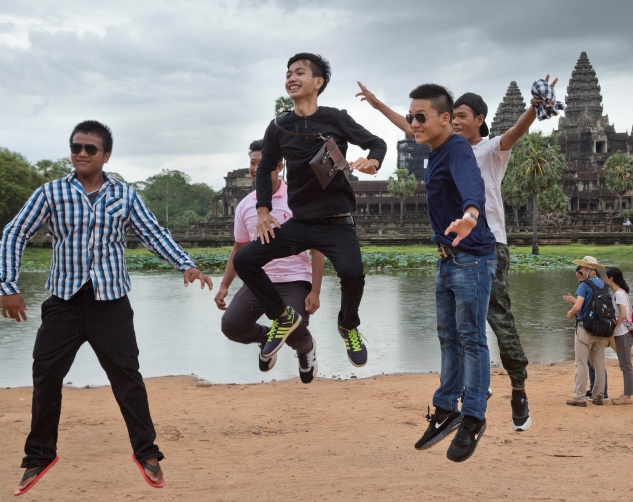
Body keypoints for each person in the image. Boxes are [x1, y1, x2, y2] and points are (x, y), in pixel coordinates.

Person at [0, 120, 212, 496]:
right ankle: (39, 456)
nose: (81, 153)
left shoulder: (125, 196)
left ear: (106, 155)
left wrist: (186, 264)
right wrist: (8, 286)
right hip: (63, 303)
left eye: (90, 149)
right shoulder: (50, 193)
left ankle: (146, 452)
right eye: (76, 147)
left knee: (127, 377)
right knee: (46, 375)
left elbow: (153, 233)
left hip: (111, 304)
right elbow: (14, 232)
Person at [356, 77, 560, 432]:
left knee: (498, 320)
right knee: (457, 329)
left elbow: (516, 131)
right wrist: (376, 105)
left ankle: (518, 387)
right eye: (455, 116)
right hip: (453, 247)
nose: (458, 121)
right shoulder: (443, 145)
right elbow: (410, 125)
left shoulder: (492, 148)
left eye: (464, 116)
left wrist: (535, 105)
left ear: (479, 119)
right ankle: (471, 388)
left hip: (488, 243)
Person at [233, 53, 386, 368]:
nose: (291, 77)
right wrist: (263, 210)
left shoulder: (336, 119)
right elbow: (264, 171)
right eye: (288, 73)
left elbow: (377, 143)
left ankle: (348, 324)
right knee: (246, 260)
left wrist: (372, 161)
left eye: (299, 72)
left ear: (318, 82)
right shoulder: (279, 127)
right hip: (301, 223)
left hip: (337, 223)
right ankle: (283, 316)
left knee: (353, 274)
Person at [407, 83, 497, 462]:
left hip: (472, 257)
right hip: (447, 257)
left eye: (420, 117)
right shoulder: (435, 151)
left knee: (471, 338)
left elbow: (473, 185)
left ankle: (474, 416)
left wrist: (471, 215)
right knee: (447, 335)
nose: (413, 123)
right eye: (411, 117)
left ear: (445, 119)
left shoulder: (457, 148)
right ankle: (446, 409)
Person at [215, 140, 324, 383]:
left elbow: (318, 250)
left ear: (279, 166)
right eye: (253, 163)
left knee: (293, 325)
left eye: (262, 164)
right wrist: (224, 284)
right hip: (258, 281)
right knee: (231, 325)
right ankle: (266, 339)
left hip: (295, 279)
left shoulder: (298, 200)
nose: (256, 168)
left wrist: (315, 291)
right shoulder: (245, 206)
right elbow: (239, 248)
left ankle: (305, 347)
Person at [562, 256, 607, 406]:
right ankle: (598, 396)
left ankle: (579, 397)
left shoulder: (584, 284)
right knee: (599, 364)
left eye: (582, 268)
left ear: (587, 269)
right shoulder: (603, 284)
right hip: (601, 330)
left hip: (585, 328)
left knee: (581, 364)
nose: (581, 270)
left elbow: (578, 306)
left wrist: (570, 313)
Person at [604, 266, 633, 404]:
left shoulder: (619, 294)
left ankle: (627, 395)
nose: (604, 279)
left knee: (626, 365)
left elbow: (622, 315)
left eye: (605, 277)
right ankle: (627, 394)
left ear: (611, 279)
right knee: (625, 365)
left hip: (623, 334)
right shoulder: (618, 293)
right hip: (622, 333)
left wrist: (613, 328)